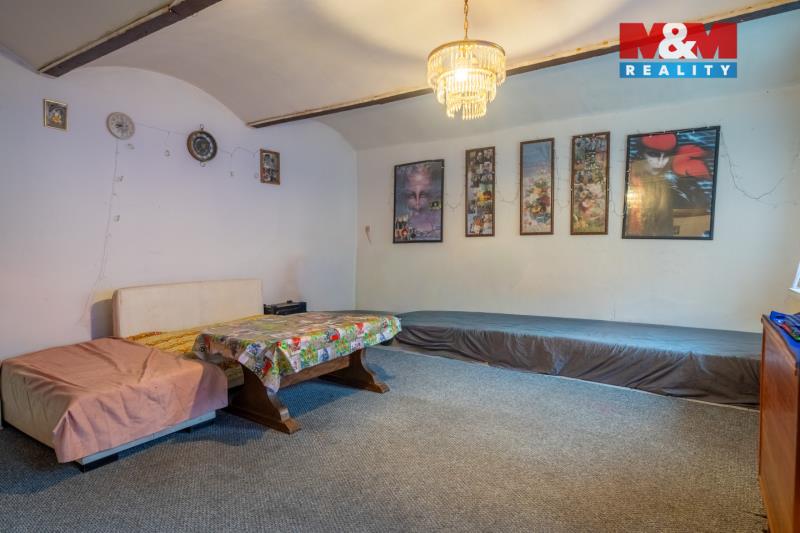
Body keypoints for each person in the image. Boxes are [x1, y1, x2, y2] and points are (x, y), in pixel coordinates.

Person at [625, 133, 711, 237]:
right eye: (653, 154)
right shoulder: (628, 179)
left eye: (666, 156)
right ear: (641, 154)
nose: (660, 162)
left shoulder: (667, 185)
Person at [395, 163, 442, 240]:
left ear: (432, 195)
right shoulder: (401, 224)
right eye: (411, 195)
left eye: (424, 195)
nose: (417, 205)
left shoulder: (439, 222)